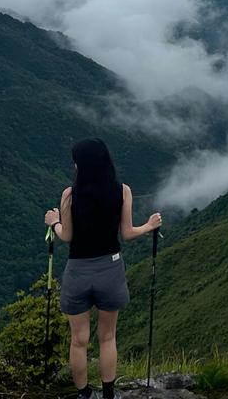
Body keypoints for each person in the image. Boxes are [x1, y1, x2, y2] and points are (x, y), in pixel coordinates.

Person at [45, 138, 162, 399]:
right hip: (110, 269)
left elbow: (67, 236)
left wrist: (54, 222)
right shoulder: (122, 191)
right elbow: (127, 233)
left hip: (78, 271)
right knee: (107, 337)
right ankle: (109, 393)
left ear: (82, 165)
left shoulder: (69, 195)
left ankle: (84, 394)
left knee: (79, 341)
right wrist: (149, 226)